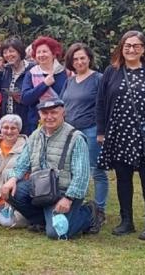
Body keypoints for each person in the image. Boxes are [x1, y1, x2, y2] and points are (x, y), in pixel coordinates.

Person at [97, 30, 145, 240]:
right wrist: (101, 131)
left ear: (143, 49)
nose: (131, 49)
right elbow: (101, 103)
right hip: (119, 134)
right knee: (123, 179)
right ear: (121, 49)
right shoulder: (111, 72)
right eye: (127, 46)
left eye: (136, 46)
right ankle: (127, 221)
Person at [1, 99, 97, 239]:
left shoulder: (75, 138)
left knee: (56, 234)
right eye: (45, 113)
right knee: (11, 191)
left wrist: (68, 198)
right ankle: (43, 221)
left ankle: (88, 213)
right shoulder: (35, 135)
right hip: (40, 189)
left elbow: (81, 175)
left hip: (63, 190)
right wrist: (12, 179)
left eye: (54, 112)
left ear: (63, 113)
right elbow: (22, 163)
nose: (49, 117)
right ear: (40, 115)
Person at [60, 42, 107, 229]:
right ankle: (78, 206)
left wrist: (102, 131)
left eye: (82, 58)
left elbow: (104, 105)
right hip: (71, 132)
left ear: (89, 59)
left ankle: (99, 209)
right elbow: (62, 104)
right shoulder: (69, 81)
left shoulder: (98, 79)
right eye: (75, 58)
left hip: (92, 130)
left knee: (96, 170)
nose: (79, 61)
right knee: (73, 170)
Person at [20, 36, 68, 130]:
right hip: (37, 123)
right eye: (38, 52)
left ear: (54, 54)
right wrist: (44, 84)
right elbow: (25, 99)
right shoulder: (31, 74)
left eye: (45, 51)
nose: (41, 55)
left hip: (63, 122)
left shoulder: (66, 73)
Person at [0, 38, 34, 132]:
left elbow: (37, 94)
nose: (8, 55)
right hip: (7, 119)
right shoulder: (5, 69)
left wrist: (22, 98)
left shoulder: (32, 69)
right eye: (5, 52)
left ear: (19, 52)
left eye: (11, 51)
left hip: (26, 118)